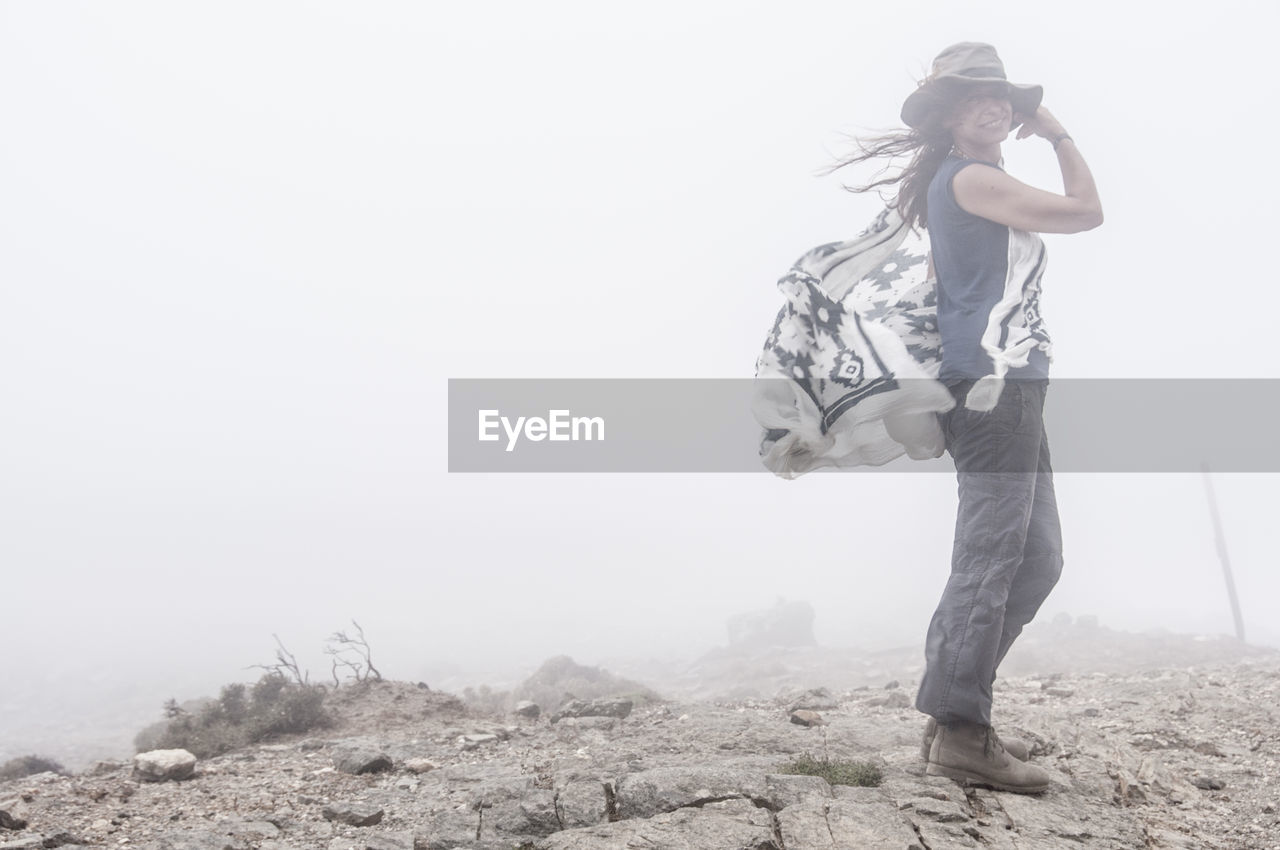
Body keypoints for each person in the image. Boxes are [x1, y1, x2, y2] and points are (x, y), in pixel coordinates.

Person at [829, 42, 1103, 793]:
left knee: (1037, 559)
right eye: (975, 94)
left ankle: (954, 710)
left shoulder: (972, 183)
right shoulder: (974, 177)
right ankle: (960, 731)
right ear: (950, 116)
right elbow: (1088, 211)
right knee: (990, 555)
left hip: (1009, 387)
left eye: (1003, 94)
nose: (996, 103)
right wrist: (1055, 130)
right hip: (993, 390)